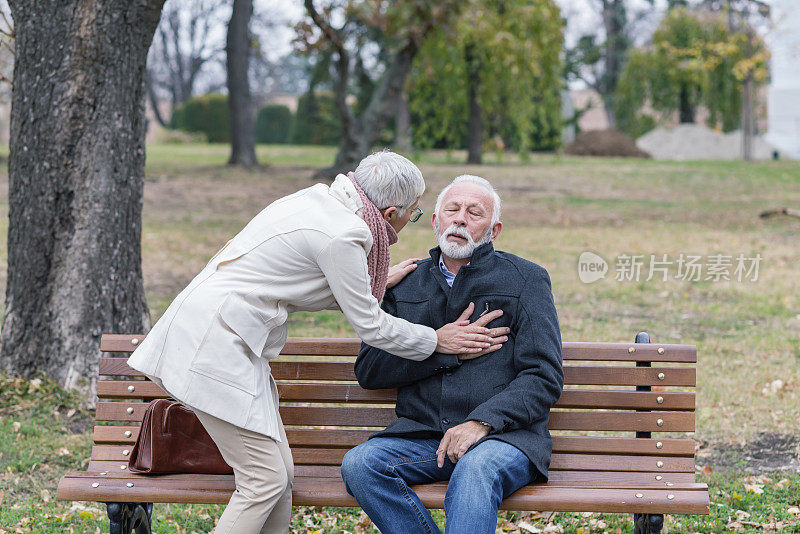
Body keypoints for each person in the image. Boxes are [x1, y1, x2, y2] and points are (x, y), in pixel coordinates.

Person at [127, 153, 506, 534]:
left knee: (280, 477)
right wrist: (437, 340)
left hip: (226, 337)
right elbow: (372, 327)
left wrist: (364, 282)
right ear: (391, 213)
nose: (413, 221)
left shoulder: (316, 201)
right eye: (415, 213)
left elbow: (290, 277)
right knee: (264, 482)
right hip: (214, 345)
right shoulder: (345, 234)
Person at [340, 174, 564, 534]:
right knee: (361, 465)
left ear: (494, 230)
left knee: (475, 467)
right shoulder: (406, 283)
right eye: (452, 209)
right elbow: (370, 371)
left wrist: (481, 423)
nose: (460, 219)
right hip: (425, 437)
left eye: (474, 213)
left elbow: (543, 376)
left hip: (504, 438)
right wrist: (438, 346)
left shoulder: (526, 280)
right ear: (435, 220)